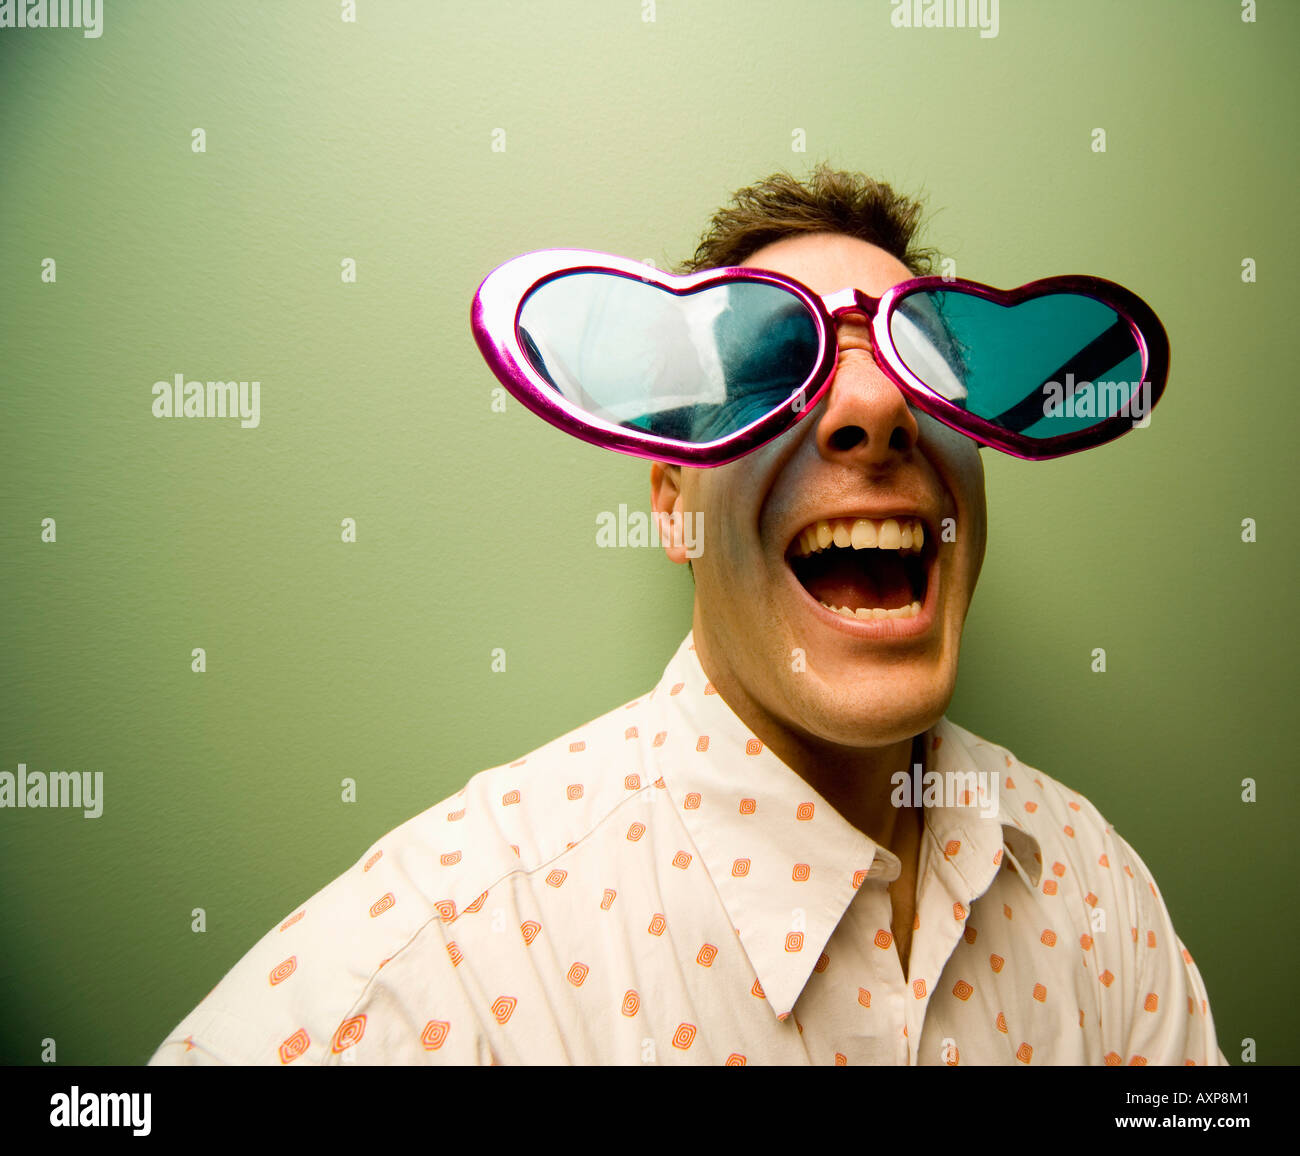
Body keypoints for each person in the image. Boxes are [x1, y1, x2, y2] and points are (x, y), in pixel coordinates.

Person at [149, 166, 1223, 1066]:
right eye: (772, 361)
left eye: (924, 358)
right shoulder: (444, 960)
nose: (872, 407)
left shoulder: (1091, 887)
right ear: (672, 505)